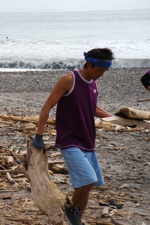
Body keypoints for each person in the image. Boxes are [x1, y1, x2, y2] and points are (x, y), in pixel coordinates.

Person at [32, 48, 114, 225]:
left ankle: (77, 220)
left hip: (87, 139)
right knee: (88, 181)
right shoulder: (69, 79)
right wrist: (39, 135)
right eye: (99, 70)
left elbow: (92, 108)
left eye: (104, 71)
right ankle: (70, 208)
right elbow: (47, 106)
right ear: (89, 64)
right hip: (69, 140)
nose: (101, 74)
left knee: (84, 187)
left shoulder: (94, 82)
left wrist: (115, 118)